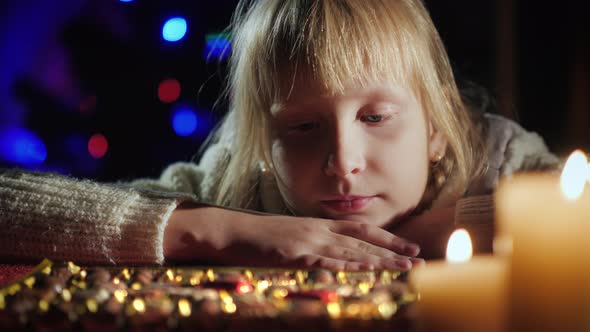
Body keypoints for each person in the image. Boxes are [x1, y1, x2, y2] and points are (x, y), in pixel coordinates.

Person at [0, 0, 560, 270]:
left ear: (437, 129)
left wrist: (469, 221)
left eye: (375, 118)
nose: (344, 162)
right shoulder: (232, 182)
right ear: (263, 146)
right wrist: (206, 230)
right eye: (303, 126)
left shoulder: (499, 160)